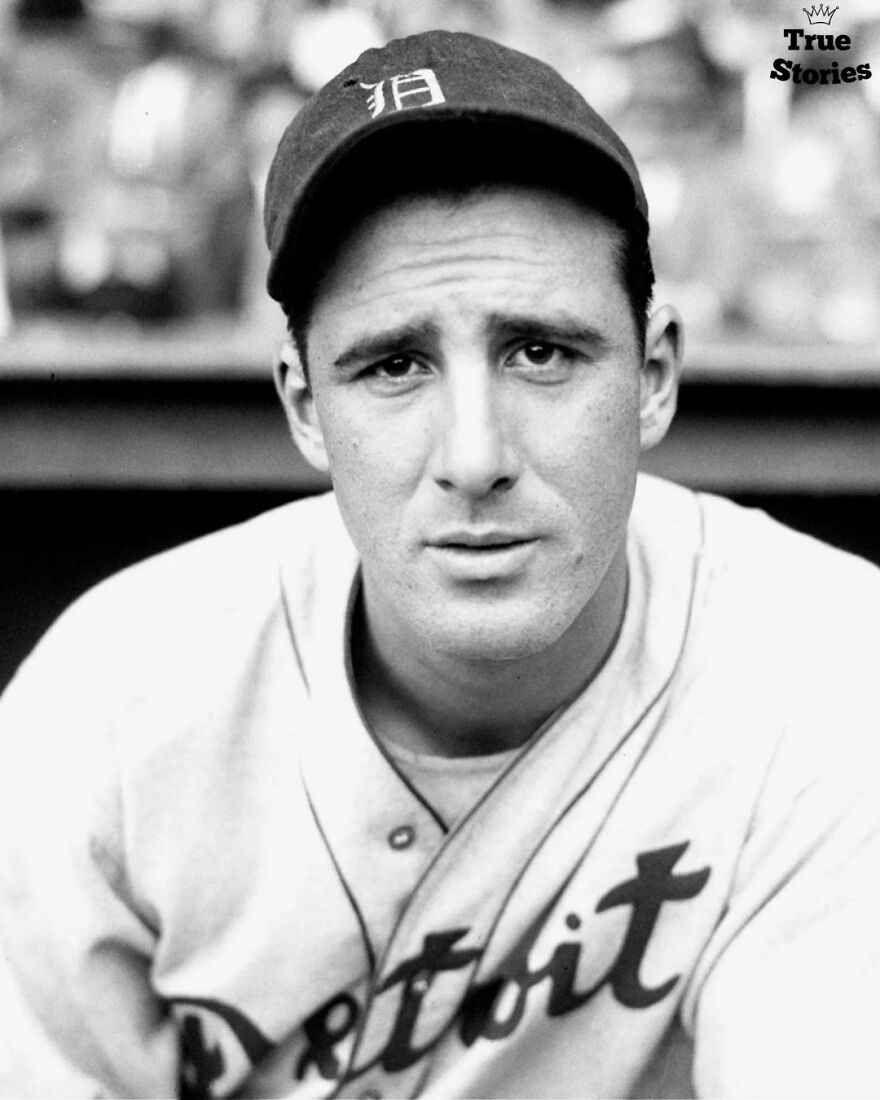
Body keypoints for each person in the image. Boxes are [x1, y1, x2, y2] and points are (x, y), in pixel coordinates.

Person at [1, 29, 879, 1100]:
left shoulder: (833, 669)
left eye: (540, 352)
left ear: (652, 374)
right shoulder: (107, 705)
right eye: (394, 365)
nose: (474, 457)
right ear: (302, 405)